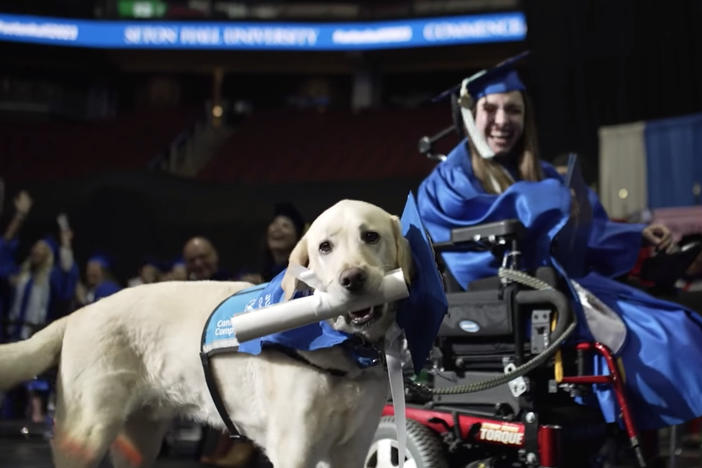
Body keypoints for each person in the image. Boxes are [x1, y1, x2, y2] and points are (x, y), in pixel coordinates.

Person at [416, 53, 702, 432]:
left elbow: (584, 230)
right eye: (491, 109)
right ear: (470, 114)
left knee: (681, 320)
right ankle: (630, 430)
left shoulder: (539, 171)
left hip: (559, 289)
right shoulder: (448, 181)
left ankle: (642, 436)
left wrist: (635, 235)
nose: (503, 121)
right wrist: (549, 197)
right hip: (512, 303)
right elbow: (478, 227)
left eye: (514, 110)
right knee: (664, 338)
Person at [0, 191, 79, 424]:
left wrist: (65, 243)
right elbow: (3, 250)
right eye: (35, 248)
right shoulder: (20, 275)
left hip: (37, 337)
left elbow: (68, 279)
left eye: (43, 249)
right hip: (13, 335)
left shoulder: (52, 279)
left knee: (35, 389)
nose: (37, 251)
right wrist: (19, 216)